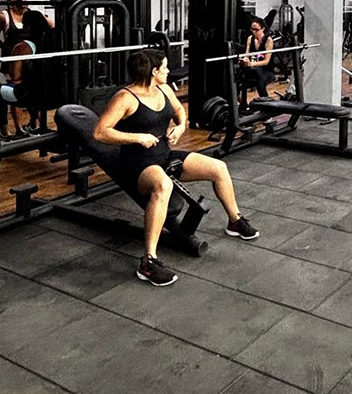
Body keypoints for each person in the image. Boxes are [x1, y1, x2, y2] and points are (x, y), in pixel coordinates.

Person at [94, 49, 259, 286]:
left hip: (164, 156)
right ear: (153, 71)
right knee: (163, 185)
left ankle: (235, 220)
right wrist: (137, 137)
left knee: (218, 168)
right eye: (165, 67)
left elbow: (180, 110)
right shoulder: (125, 97)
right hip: (137, 164)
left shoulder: (164, 89)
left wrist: (180, 127)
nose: (169, 70)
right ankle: (148, 261)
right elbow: (100, 132)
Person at [0, 10, 50, 139]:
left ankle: (4, 132)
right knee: (35, 87)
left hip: (28, 95)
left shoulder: (22, 47)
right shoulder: (54, 43)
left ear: (27, 28)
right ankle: (37, 125)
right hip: (51, 94)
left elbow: (15, 77)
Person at [239, 17, 275, 99]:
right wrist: (244, 60)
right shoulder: (250, 38)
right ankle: (243, 103)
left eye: (256, 30)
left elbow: (266, 61)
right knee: (238, 73)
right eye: (252, 29)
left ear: (263, 29)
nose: (254, 32)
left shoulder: (268, 40)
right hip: (253, 68)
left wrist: (251, 64)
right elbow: (247, 55)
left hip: (267, 70)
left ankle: (267, 102)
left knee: (259, 78)